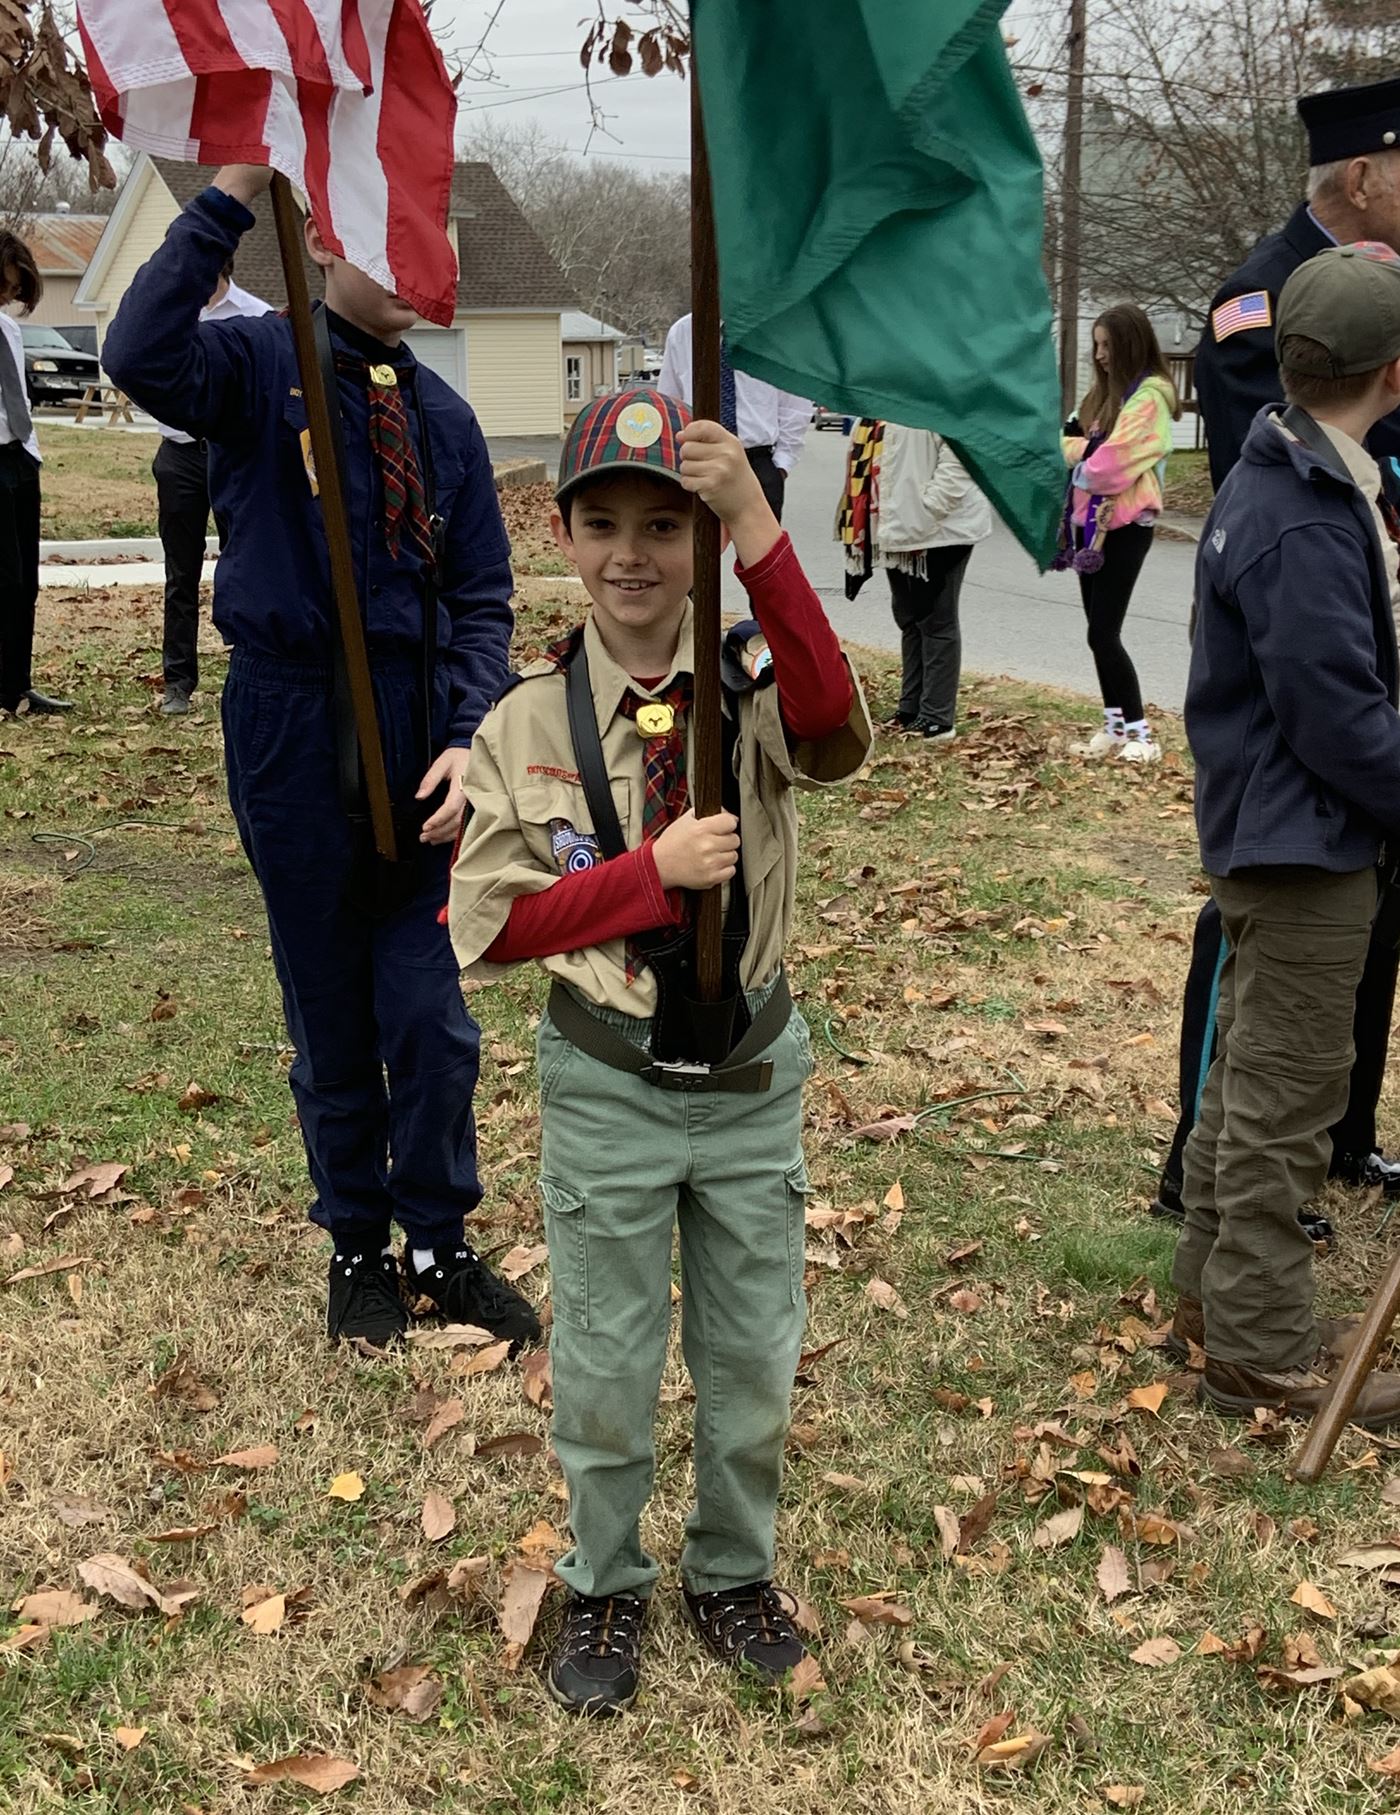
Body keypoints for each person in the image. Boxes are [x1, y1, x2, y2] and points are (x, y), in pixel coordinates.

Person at [449, 386, 871, 1715]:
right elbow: (496, 922)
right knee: (610, 1364)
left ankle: (732, 1569)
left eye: (666, 526)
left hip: (748, 1083)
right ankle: (607, 1579)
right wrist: (647, 874)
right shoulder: (523, 725)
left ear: (698, 540)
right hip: (611, 1086)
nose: (634, 553)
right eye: (605, 523)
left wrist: (755, 521)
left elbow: (835, 718)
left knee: (751, 1359)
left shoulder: (747, 684)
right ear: (564, 533)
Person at [102, 163, 539, 1352]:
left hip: (418, 737)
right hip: (292, 723)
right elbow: (137, 354)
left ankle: (438, 1240)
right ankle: (356, 1246)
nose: (417, 253)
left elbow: (483, 598)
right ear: (334, 239)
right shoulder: (254, 366)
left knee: (433, 1020)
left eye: (431, 234)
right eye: (391, 230)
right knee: (331, 1008)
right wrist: (229, 200)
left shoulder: (444, 419)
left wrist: (464, 735)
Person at [1155, 74, 1400, 1222]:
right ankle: (1197, 1160)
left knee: (1362, 912)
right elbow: (1298, 449)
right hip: (1297, 663)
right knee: (1256, 942)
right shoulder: (1258, 297)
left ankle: (1331, 1139)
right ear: (1362, 174)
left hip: (1367, 630)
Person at [1170, 242, 1400, 1425]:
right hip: (1304, 849)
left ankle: (1206, 1300)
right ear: (1391, 370)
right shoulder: (1302, 516)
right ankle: (1258, 1348)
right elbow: (1338, 720)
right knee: (1285, 1101)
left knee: (1241, 1085)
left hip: (1272, 832)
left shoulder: (1285, 466)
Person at [1056, 304, 1178, 765]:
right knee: (1096, 632)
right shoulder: (1105, 396)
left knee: (1105, 632)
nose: (1100, 354)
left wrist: (1080, 453)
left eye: (1108, 345)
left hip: (1124, 526)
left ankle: (1142, 735)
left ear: (1130, 343)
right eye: (1096, 345)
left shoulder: (1150, 397)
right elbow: (1067, 438)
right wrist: (1085, 448)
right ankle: (1114, 726)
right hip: (1089, 529)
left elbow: (1109, 467)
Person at [152, 254, 271, 716]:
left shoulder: (256, 316)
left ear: (223, 268)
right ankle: (178, 683)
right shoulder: (170, 314)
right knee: (180, 572)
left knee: (245, 562)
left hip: (233, 453)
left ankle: (250, 667)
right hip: (179, 455)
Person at [836, 419, 990, 739]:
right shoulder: (881, 399)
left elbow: (961, 456)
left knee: (937, 619)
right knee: (909, 616)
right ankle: (911, 708)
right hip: (895, 526)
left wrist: (926, 509)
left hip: (943, 529)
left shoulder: (941, 392)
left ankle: (937, 717)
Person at [0, 230, 70, 719]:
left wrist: (32, 454)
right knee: (3, 579)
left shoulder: (9, 329)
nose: (10, 297)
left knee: (26, 580)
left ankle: (18, 689)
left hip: (20, 460)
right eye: (5, 285)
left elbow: (17, 398)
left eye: (15, 290)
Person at [657, 312, 810, 520]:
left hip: (757, 463)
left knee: (759, 551)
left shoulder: (775, 332)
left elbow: (796, 403)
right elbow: (668, 403)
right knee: (693, 548)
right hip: (698, 458)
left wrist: (781, 466)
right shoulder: (682, 333)